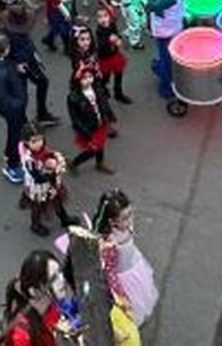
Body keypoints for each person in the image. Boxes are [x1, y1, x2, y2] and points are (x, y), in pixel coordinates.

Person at [94, 189, 160, 328]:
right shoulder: (110, 242)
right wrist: (119, 293)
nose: (130, 221)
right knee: (130, 304)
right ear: (112, 222)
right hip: (123, 276)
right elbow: (110, 272)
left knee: (142, 296)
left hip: (134, 264)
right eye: (125, 218)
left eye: (131, 214)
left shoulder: (125, 226)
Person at [0, 36, 33, 185]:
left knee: (18, 131)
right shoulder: (0, 72)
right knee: (15, 134)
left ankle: (10, 154)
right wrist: (18, 104)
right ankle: (12, 164)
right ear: (2, 52)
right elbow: (1, 97)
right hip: (13, 109)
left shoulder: (1, 65)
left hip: (15, 108)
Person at [0, 250, 70, 346]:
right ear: (35, 291)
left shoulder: (51, 306)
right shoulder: (22, 336)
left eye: (60, 273)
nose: (62, 280)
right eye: (54, 278)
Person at [18, 123, 72, 236]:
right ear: (27, 142)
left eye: (40, 139)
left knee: (57, 200)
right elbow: (37, 177)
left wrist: (55, 160)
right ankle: (35, 224)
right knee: (37, 206)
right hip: (38, 187)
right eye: (34, 141)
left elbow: (48, 155)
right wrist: (54, 171)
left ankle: (64, 219)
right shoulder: (29, 160)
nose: (38, 144)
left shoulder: (42, 150)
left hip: (50, 183)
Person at [145, 0, 183, 102]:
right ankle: (165, 88)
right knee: (168, 58)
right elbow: (152, 5)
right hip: (165, 27)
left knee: (170, 55)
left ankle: (158, 66)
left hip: (174, 20)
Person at [66, 65, 115, 174]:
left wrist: (109, 117)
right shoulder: (73, 97)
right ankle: (74, 163)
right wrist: (87, 133)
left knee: (100, 145)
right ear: (78, 80)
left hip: (100, 123)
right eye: (84, 78)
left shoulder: (96, 89)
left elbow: (103, 105)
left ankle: (99, 163)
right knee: (92, 150)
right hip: (88, 128)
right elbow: (75, 119)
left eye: (90, 76)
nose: (88, 80)